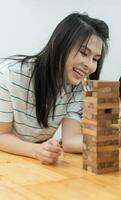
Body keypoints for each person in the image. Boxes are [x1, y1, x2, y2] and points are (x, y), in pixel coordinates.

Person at [0, 13, 109, 165]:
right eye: (84, 53)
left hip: (32, 162)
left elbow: (70, 141)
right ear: (58, 43)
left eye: (95, 59)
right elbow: (1, 135)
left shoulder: (77, 88)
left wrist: (110, 138)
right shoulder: (10, 74)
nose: (89, 65)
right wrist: (36, 150)